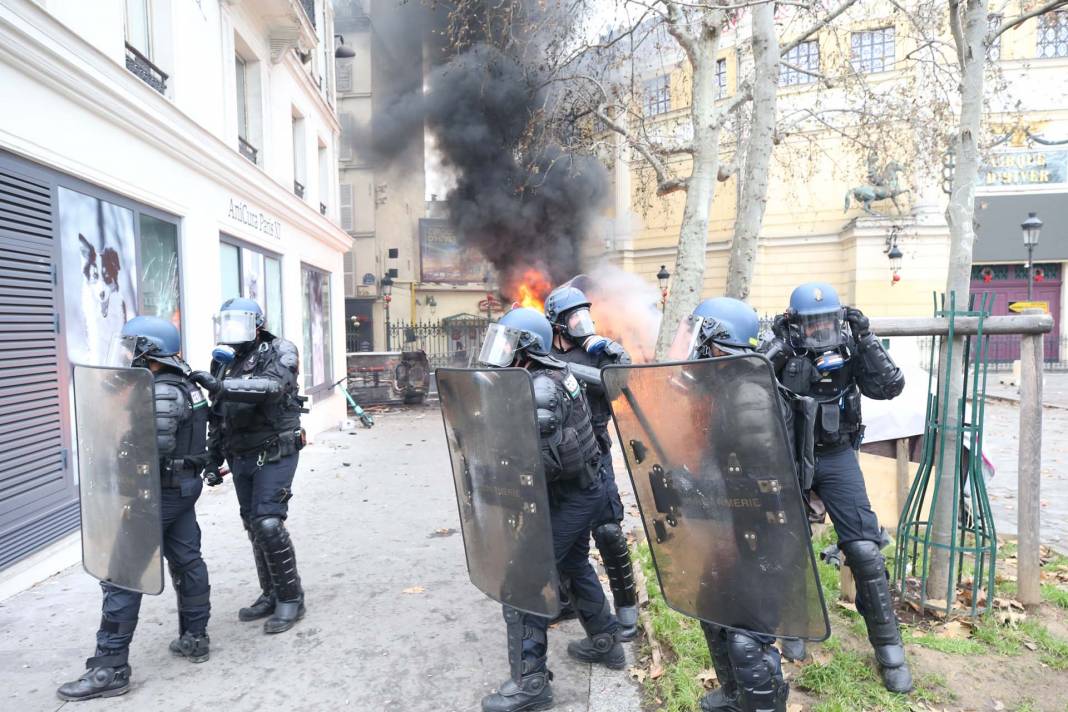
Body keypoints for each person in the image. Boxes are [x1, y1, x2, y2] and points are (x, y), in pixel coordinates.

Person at [762, 282, 912, 693]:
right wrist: (776, 345)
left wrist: (866, 338)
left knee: (864, 549)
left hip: (836, 455)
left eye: (827, 322)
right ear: (796, 325)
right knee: (787, 543)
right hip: (787, 457)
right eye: (810, 324)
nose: (819, 331)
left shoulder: (851, 347)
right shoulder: (783, 350)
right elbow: (741, 382)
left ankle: (889, 647)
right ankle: (793, 624)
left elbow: (890, 387)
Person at [58, 316, 211, 701]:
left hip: (158, 492)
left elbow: (152, 447)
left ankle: (110, 668)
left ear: (151, 350)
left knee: (123, 573)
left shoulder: (162, 390)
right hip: (180, 490)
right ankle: (195, 637)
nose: (127, 353)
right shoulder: (184, 382)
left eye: (133, 346)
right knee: (187, 558)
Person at [477, 307, 623, 712]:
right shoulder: (548, 375)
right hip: (582, 491)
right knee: (574, 565)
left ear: (526, 348)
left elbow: (540, 463)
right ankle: (607, 641)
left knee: (525, 581)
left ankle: (532, 685)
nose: (500, 350)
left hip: (571, 496)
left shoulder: (541, 388)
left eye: (508, 342)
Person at [673, 297, 792, 712]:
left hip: (764, 532)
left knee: (748, 636)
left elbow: (763, 482)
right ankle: (735, 695)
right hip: (740, 525)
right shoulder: (726, 385)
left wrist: (700, 491)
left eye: (700, 337)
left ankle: (764, 704)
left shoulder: (748, 395)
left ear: (719, 344)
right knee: (714, 606)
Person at [191, 298, 308, 635]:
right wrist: (212, 460)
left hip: (276, 449)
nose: (231, 330)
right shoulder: (224, 361)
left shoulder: (279, 349)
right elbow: (218, 415)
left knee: (269, 521)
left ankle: (291, 597)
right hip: (240, 453)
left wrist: (221, 386)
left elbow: (273, 387)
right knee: (253, 524)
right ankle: (270, 592)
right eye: (225, 322)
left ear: (257, 323)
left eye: (238, 322)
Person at [543, 285, 638, 640]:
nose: (582, 321)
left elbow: (618, 385)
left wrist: (614, 350)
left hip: (595, 454)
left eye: (585, 313)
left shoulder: (597, 354)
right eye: (574, 316)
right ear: (557, 322)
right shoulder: (543, 351)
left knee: (609, 531)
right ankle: (567, 599)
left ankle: (627, 607)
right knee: (566, 536)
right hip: (559, 459)